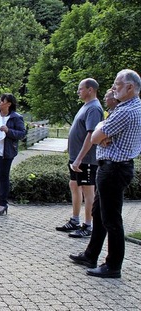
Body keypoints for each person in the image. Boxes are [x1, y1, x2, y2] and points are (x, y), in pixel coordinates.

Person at [70, 69, 141, 278]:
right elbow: (101, 133)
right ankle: (90, 255)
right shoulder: (131, 107)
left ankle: (113, 266)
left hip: (114, 168)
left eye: (117, 84)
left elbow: (95, 136)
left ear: (130, 87)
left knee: (111, 219)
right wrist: (103, 134)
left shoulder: (125, 111)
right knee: (99, 214)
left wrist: (102, 134)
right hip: (114, 166)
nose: (113, 88)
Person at [56, 78, 103, 238]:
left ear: (90, 90)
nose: (78, 91)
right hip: (76, 158)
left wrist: (80, 158)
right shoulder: (85, 106)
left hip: (86, 159)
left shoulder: (94, 108)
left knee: (88, 191)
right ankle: (74, 220)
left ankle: (88, 226)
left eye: (80, 89)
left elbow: (91, 135)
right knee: (74, 185)